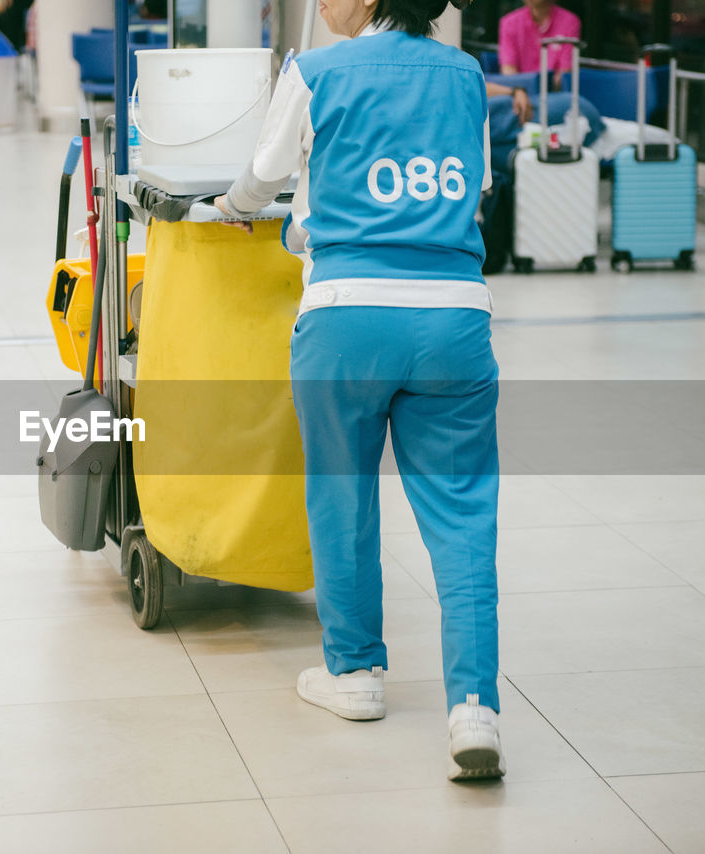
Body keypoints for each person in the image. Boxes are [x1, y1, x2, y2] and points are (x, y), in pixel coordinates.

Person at [215, 0, 505, 781]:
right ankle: (475, 706)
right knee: (464, 514)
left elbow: (264, 175)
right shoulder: (468, 76)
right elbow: (467, 188)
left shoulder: (315, 72)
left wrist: (240, 211)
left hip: (345, 319)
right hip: (454, 320)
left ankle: (354, 676)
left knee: (341, 495)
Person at [499, 0, 580, 79]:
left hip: (554, 90)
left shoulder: (569, 21)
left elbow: (565, 73)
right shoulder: (509, 23)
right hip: (519, 89)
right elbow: (508, 71)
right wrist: (519, 89)